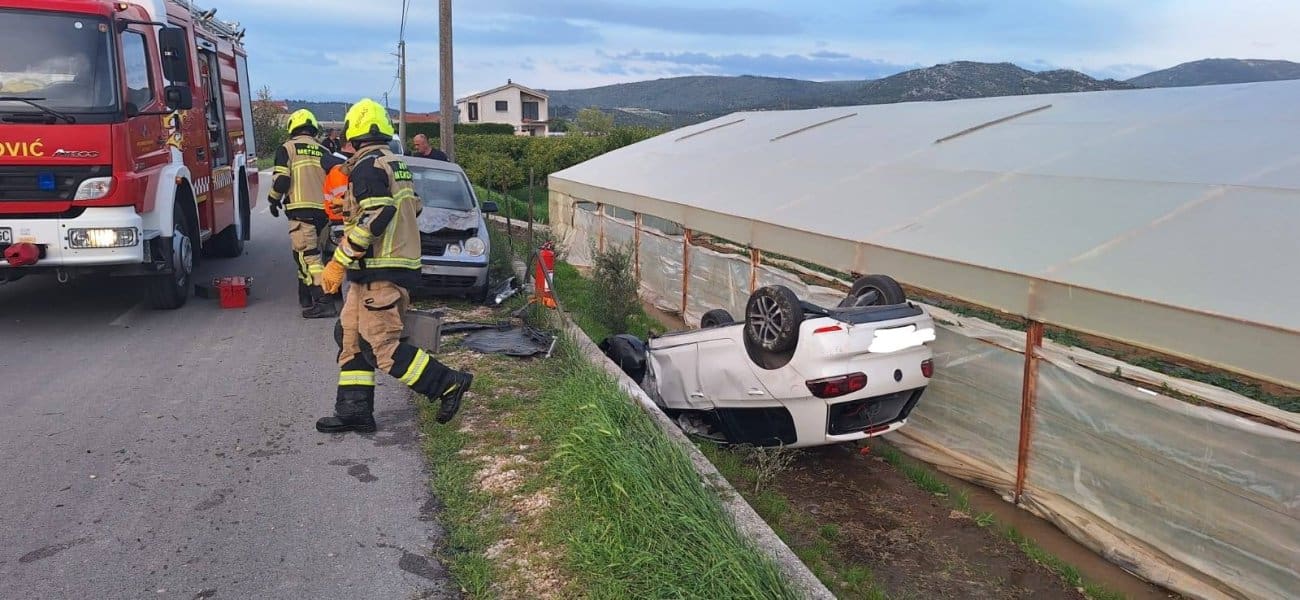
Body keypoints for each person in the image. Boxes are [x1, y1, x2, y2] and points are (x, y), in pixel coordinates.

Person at [316, 98, 473, 433]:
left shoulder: (366, 166)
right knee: (349, 336)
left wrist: (339, 261)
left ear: (353, 133)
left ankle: (446, 383)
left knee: (382, 347)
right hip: (380, 271)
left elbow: (379, 213)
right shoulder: (395, 164)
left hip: (381, 272)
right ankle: (354, 411)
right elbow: (411, 210)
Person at [268, 109, 342, 318]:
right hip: (323, 213)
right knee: (311, 255)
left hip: (301, 213)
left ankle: (324, 301)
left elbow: (281, 181)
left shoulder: (287, 149)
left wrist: (273, 200)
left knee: (308, 258)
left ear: (292, 127)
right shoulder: (323, 150)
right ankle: (306, 297)